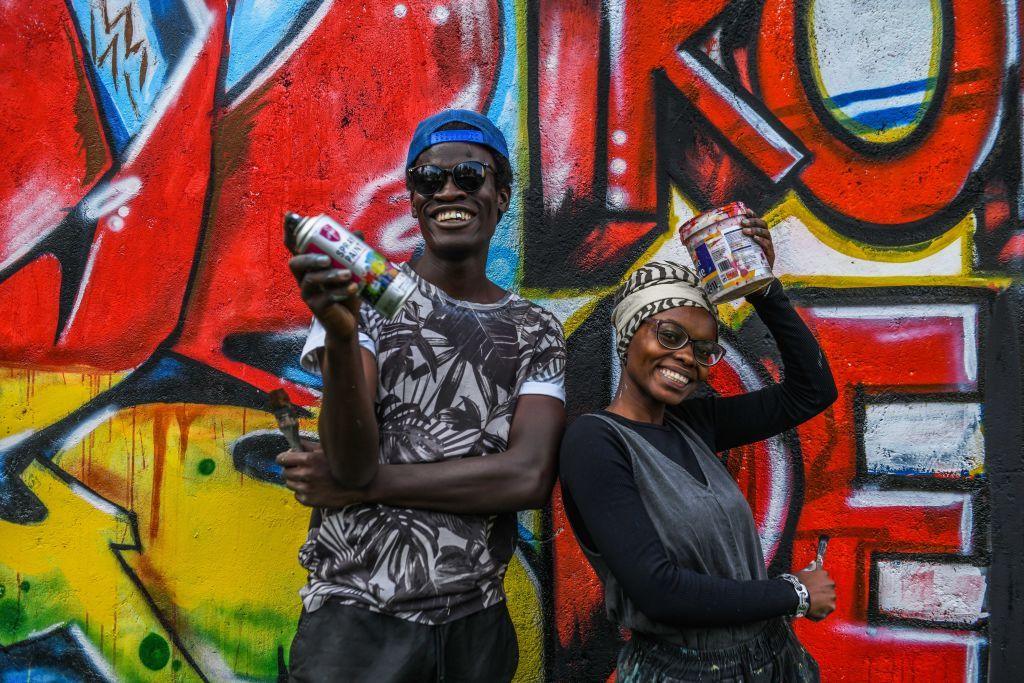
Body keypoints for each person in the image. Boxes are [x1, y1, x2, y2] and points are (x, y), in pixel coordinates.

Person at [279, 109, 566, 682]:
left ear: (502, 195)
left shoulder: (536, 328)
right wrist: (339, 332)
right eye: (430, 181)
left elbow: (527, 478)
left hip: (475, 624)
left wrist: (365, 487)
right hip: (354, 624)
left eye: (470, 176)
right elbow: (352, 457)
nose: (449, 191)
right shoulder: (358, 296)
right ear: (413, 200)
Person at [558, 223, 839, 681]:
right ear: (630, 336)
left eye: (705, 349)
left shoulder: (695, 424)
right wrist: (794, 594)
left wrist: (763, 289)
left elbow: (811, 392)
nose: (688, 357)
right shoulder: (595, 442)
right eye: (670, 336)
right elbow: (660, 591)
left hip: (771, 662)